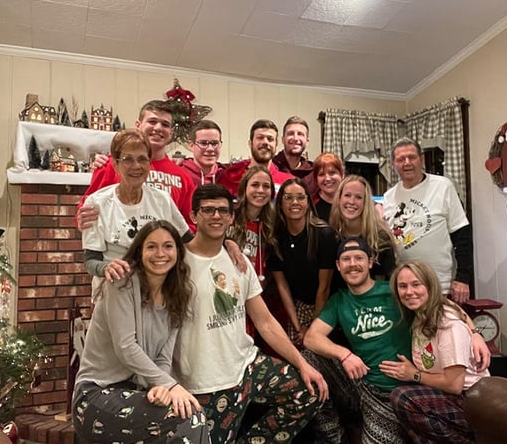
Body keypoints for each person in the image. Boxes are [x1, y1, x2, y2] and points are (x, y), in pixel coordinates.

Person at [172, 183, 329, 443]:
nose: (216, 216)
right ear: (193, 216)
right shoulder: (176, 264)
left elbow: (264, 321)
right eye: (208, 210)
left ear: (232, 217)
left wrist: (303, 365)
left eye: (223, 211)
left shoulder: (239, 261)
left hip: (248, 367)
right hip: (204, 382)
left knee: (310, 391)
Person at [304, 236, 491, 444]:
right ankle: (332, 437)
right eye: (346, 259)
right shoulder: (339, 300)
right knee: (308, 359)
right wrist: (344, 354)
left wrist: (474, 333)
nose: (353, 264)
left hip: (401, 390)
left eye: (359, 258)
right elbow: (311, 338)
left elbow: (440, 303)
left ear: (370, 261)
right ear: (338, 266)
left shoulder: (396, 291)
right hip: (362, 382)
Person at [72, 220, 210, 444]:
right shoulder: (121, 283)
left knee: (188, 412)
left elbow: (163, 357)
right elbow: (125, 346)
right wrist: (169, 384)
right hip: (96, 396)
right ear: (140, 252)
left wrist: (160, 387)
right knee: (189, 417)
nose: (160, 253)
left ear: (177, 251)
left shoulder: (178, 295)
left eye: (167, 246)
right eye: (151, 246)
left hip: (137, 392)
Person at [381, 261, 490, 443]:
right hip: (443, 392)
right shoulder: (423, 311)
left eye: (416, 284)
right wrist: (474, 331)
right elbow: (457, 309)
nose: (409, 292)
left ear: (430, 286)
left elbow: (454, 384)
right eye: (403, 286)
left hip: (470, 398)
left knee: (402, 397)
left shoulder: (448, 325)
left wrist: (414, 375)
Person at [81, 130, 190, 302]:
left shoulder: (161, 199)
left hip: (157, 296)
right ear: (115, 165)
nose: (136, 166)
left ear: (149, 163)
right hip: (114, 296)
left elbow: (188, 242)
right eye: (127, 159)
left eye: (142, 159)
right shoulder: (97, 203)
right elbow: (90, 262)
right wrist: (107, 267)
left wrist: (226, 245)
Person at [76, 100, 196, 230]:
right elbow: (87, 211)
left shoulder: (183, 177)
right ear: (138, 125)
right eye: (152, 121)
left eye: (165, 124)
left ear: (171, 133)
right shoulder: (111, 165)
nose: (158, 128)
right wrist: (82, 220)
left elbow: (190, 225)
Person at [382, 137, 474, 303]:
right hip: (405, 288)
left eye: (412, 157)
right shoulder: (389, 197)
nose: (407, 163)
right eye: (400, 159)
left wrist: (463, 278)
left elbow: (462, 235)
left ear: (421, 159)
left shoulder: (443, 186)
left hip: (440, 285)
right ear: (393, 164)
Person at [267, 178, 337, 347]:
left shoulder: (324, 234)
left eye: (300, 197)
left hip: (326, 306)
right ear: (280, 203)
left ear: (308, 202)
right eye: (288, 197)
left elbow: (324, 288)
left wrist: (312, 328)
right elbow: (282, 286)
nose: (295, 202)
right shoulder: (276, 238)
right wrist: (298, 326)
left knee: (315, 349)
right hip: (296, 308)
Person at [227, 165, 283, 345]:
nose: (261, 190)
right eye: (255, 185)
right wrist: (227, 242)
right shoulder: (229, 215)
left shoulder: (271, 223)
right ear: (244, 188)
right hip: (228, 292)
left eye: (266, 186)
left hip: (254, 294)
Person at [329, 175, 396, 281]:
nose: (352, 201)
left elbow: (390, 280)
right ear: (339, 198)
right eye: (347, 195)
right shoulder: (331, 236)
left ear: (366, 202)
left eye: (358, 197)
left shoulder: (381, 238)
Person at [216, 119, 295, 197]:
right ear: (250, 143)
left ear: (276, 144)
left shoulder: (288, 182)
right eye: (260, 138)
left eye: (270, 139)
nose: (265, 142)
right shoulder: (229, 178)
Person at [272, 115, 317, 194]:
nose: (295, 138)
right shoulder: (271, 167)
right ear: (283, 139)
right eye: (290, 133)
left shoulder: (313, 174)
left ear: (307, 141)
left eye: (300, 134)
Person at [180, 119, 225, 186]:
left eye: (214, 143)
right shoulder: (180, 175)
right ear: (191, 145)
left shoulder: (226, 177)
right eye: (203, 143)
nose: (210, 149)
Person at [311, 152, 345, 221]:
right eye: (321, 174)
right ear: (316, 179)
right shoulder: (310, 205)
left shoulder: (350, 202)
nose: (327, 178)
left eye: (332, 173)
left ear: (342, 175)